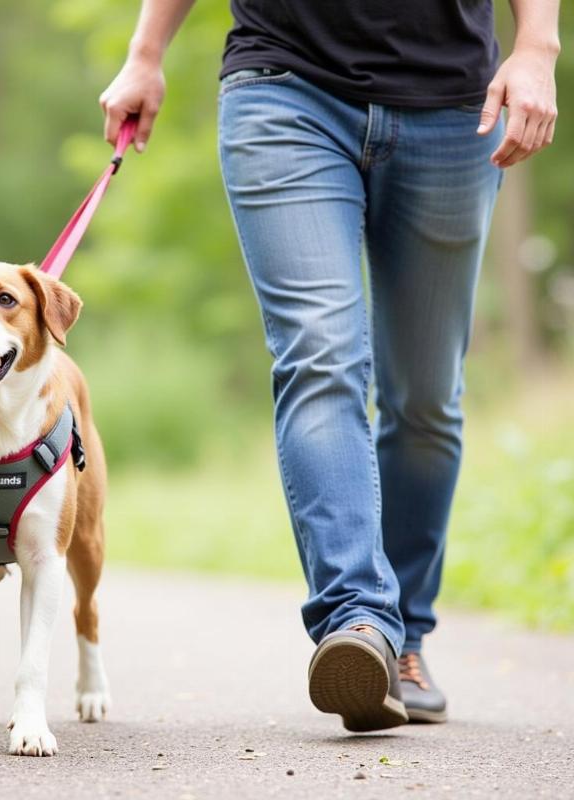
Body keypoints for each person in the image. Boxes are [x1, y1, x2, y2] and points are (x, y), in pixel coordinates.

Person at [99, 1, 559, 731]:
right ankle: (358, 624)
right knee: (319, 357)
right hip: (284, 89)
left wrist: (538, 44)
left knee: (426, 397)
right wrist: (145, 52)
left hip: (452, 109)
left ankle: (403, 635)